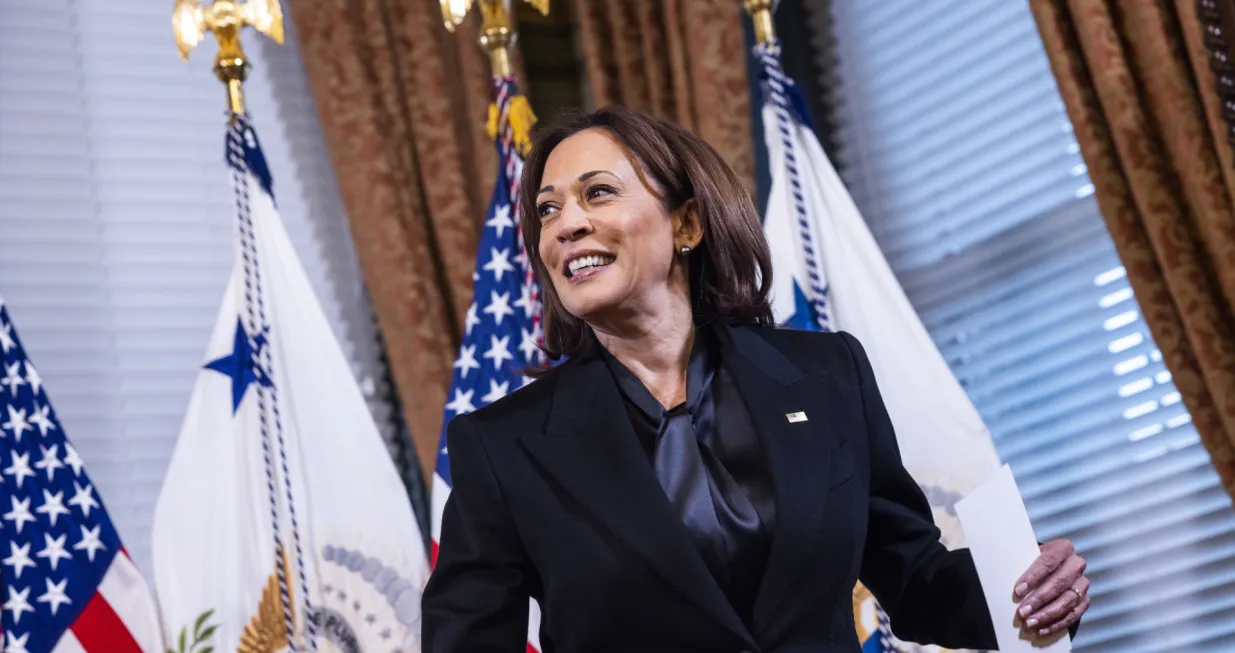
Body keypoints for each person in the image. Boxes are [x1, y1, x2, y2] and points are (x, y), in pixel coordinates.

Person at [421, 105, 1090, 653]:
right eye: (546, 210)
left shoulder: (825, 374)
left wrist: (1023, 586)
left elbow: (912, 579)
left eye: (597, 192)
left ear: (684, 223)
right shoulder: (503, 447)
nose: (565, 225)